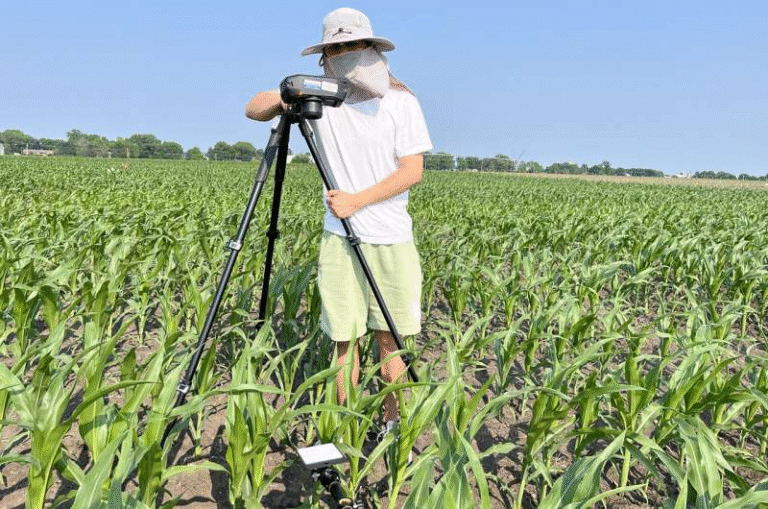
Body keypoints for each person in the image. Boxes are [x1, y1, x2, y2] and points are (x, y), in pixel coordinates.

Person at [245, 8, 432, 431]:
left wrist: (357, 201)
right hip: (338, 239)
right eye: (336, 47)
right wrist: (289, 92)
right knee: (342, 342)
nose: (345, 53)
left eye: (353, 45)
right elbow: (254, 109)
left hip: (390, 237)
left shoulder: (401, 102)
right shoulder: (319, 103)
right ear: (324, 56)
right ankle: (343, 421)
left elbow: (412, 171)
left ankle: (393, 420)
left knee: (392, 341)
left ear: (372, 50)